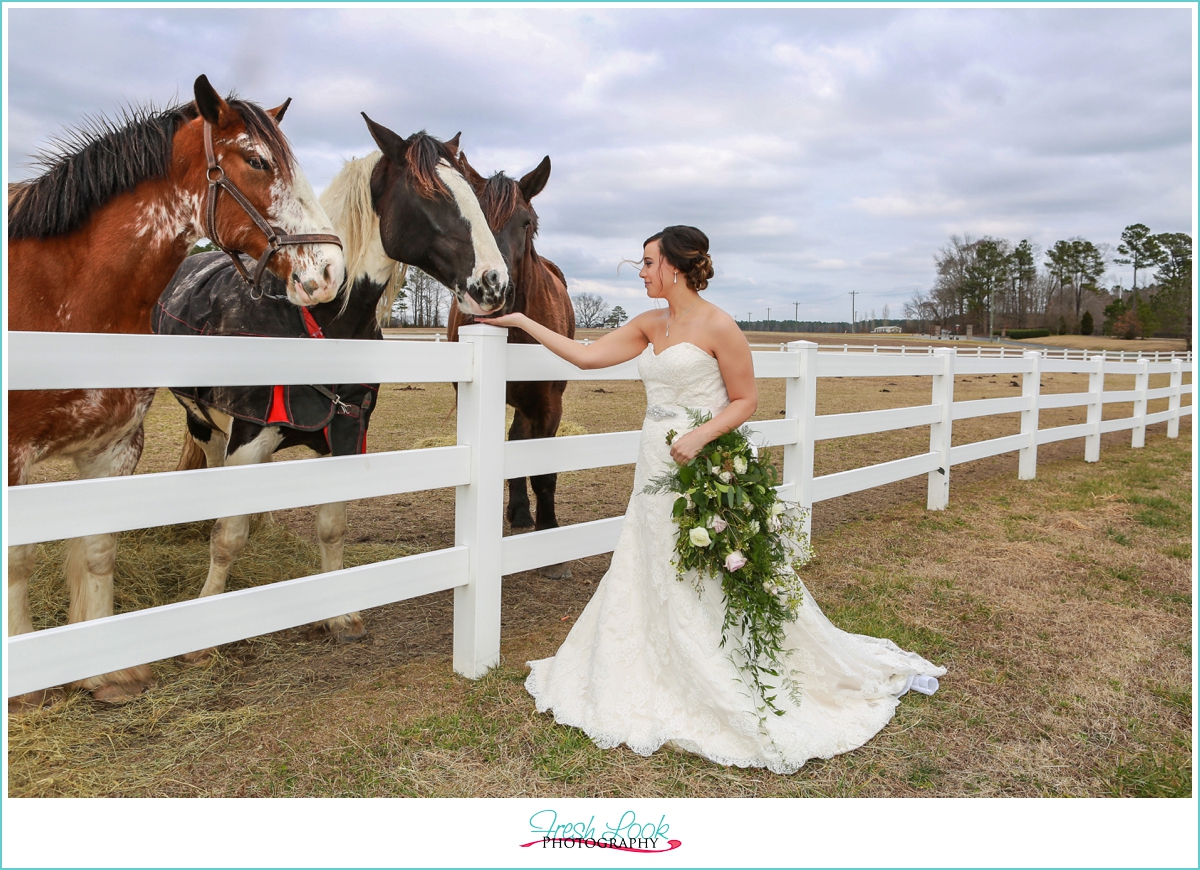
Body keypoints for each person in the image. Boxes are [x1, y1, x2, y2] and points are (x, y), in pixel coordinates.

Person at [479, 225, 944, 773]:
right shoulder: (651, 324)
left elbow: (746, 399)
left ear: (675, 267)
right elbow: (585, 358)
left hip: (704, 465)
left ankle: (723, 663)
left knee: (708, 566)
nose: (642, 272)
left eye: (648, 263)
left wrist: (700, 437)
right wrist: (520, 321)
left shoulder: (719, 325)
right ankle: (656, 664)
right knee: (651, 560)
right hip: (653, 462)